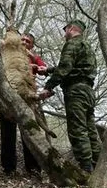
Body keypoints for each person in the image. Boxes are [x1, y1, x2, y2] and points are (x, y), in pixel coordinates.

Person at [38, 20, 101, 173]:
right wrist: (47, 70)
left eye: (65, 30)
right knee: (90, 129)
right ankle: (98, 167)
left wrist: (48, 87)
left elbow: (66, 67)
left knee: (77, 129)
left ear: (71, 28)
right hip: (87, 92)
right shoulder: (86, 46)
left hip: (76, 92)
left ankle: (86, 170)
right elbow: (74, 66)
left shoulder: (72, 43)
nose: (64, 33)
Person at [0, 32, 48, 176]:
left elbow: (43, 69)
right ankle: (9, 169)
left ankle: (33, 169)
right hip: (7, 97)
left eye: (28, 41)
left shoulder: (33, 56)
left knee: (30, 132)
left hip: (27, 99)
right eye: (23, 40)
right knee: (7, 134)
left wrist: (31, 58)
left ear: (32, 45)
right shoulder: (7, 53)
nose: (25, 42)